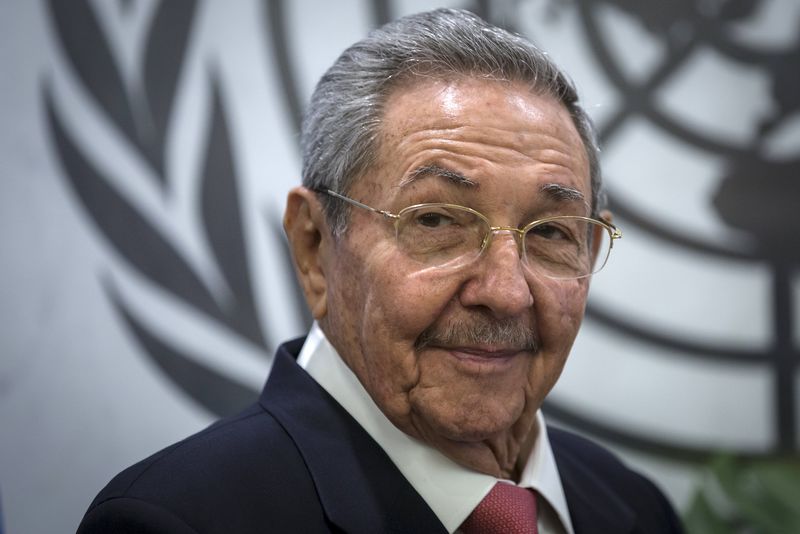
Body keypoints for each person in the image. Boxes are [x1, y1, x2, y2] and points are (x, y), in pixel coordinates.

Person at [78, 8, 683, 534]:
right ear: (314, 246)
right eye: (437, 222)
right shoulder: (174, 522)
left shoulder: (635, 509)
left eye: (551, 233)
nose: (505, 292)